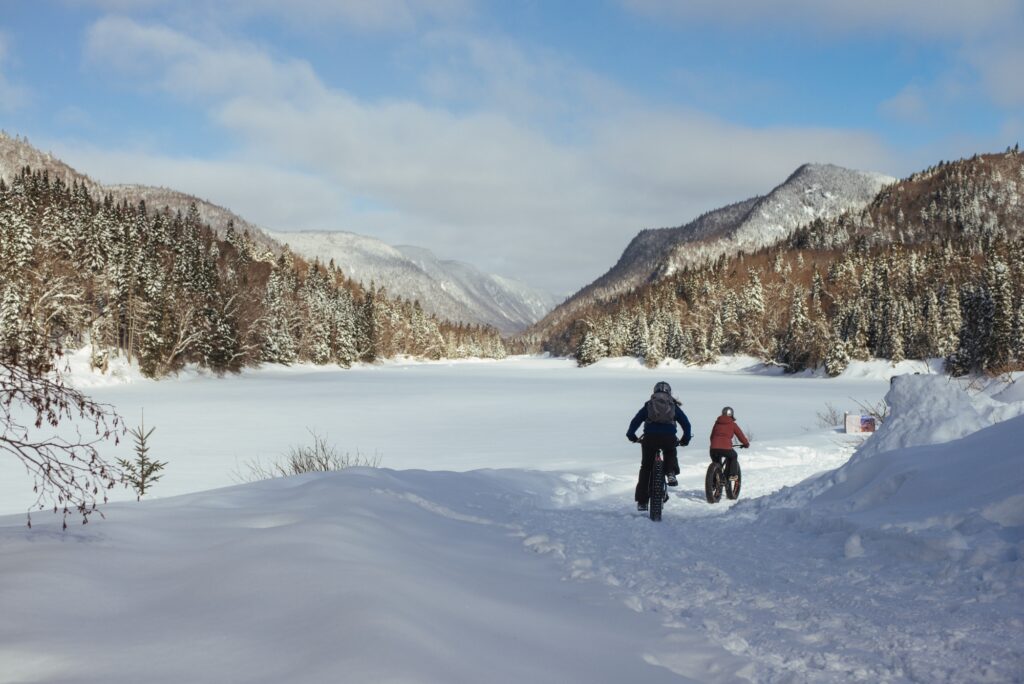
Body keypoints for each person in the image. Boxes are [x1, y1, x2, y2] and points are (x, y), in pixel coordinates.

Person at [626, 381, 692, 511]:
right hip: (668, 438)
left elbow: (636, 421)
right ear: (669, 392)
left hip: (650, 439)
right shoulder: (673, 405)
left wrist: (631, 435)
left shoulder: (649, 405)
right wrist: (685, 439)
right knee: (670, 451)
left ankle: (642, 502)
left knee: (646, 468)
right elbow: (686, 424)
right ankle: (670, 472)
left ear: (654, 391)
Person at [710, 406, 749, 483]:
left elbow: (712, 436)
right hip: (726, 448)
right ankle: (732, 475)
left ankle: (714, 480)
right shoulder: (732, 424)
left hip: (713, 449)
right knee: (733, 456)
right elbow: (740, 435)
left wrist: (714, 445)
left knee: (717, 463)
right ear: (731, 414)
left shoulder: (717, 423)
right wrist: (746, 444)